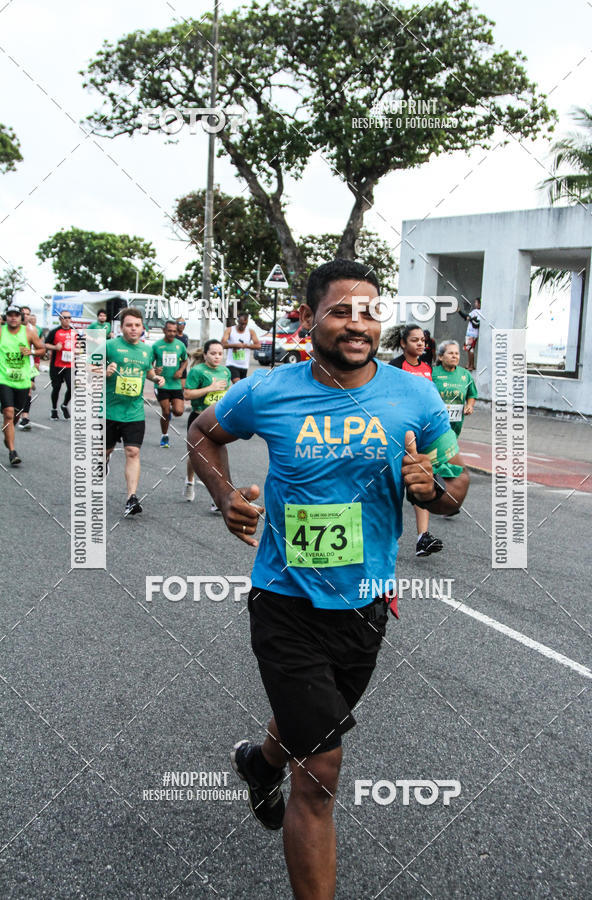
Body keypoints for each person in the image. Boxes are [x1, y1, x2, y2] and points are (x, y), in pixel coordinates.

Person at [188, 260, 469, 900]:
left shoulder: (415, 396)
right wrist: (227, 492)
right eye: (340, 311)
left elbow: (455, 484)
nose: (357, 323)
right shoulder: (268, 389)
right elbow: (202, 431)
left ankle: (258, 767)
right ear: (310, 318)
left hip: (366, 604)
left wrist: (438, 491)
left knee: (315, 724)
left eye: (369, 311)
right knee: (321, 768)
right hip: (284, 601)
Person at [104, 307, 165, 516]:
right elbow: (86, 367)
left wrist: (155, 378)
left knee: (133, 451)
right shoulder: (109, 346)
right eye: (129, 325)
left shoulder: (147, 350)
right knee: (105, 452)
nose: (133, 329)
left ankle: (131, 498)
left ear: (142, 328)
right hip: (109, 411)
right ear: (121, 328)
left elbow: (147, 370)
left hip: (134, 411)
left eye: (137, 325)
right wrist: (104, 371)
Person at [389, 325, 443, 556]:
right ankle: (382, 537)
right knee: (392, 487)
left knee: (421, 479)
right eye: (415, 340)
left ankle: (423, 537)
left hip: (421, 431)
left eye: (423, 340)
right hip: (398, 431)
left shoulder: (426, 367)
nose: (421, 344)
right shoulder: (394, 367)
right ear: (403, 343)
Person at [183, 340, 231, 503]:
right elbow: (188, 395)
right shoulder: (197, 371)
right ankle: (190, 482)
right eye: (213, 353)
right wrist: (210, 388)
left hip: (218, 420)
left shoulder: (225, 371)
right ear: (205, 355)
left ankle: (217, 498)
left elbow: (226, 394)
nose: (217, 357)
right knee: (196, 455)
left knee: (218, 455)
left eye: (220, 353)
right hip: (199, 418)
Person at [0, 305, 45, 464]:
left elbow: (42, 350)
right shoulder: (1, 331)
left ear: (21, 317)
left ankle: (8, 435)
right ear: (6, 317)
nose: (13, 318)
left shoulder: (29, 333)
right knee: (8, 412)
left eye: (16, 315)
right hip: (4, 379)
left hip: (22, 380)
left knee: (16, 416)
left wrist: (31, 352)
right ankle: (12, 451)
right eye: (10, 315)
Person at [151, 320, 187, 448]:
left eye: (174, 331)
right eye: (169, 331)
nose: (172, 333)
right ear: (164, 331)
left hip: (175, 384)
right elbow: (149, 364)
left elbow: (185, 360)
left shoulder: (180, 345)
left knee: (179, 411)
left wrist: (180, 371)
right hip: (162, 384)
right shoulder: (156, 346)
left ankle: (170, 411)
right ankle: (164, 436)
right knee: (165, 412)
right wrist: (155, 371)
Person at [432, 340, 478, 437]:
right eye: (450, 353)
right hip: (435, 423)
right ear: (440, 357)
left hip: (456, 425)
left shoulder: (465, 374)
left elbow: (472, 394)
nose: (455, 356)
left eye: (457, 353)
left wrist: (469, 406)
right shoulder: (433, 373)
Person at [45, 309, 75, 419]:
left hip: (69, 366)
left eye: (69, 317)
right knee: (56, 388)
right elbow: (46, 344)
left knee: (72, 387)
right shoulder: (55, 331)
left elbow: (81, 345)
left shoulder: (74, 331)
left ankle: (64, 405)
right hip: (56, 365)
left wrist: (79, 350)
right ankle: (54, 409)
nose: (67, 319)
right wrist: (54, 347)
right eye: (64, 317)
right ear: (60, 319)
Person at [221, 312, 261, 382]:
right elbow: (222, 344)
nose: (243, 326)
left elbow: (258, 346)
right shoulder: (230, 330)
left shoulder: (250, 332)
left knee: (241, 387)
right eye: (241, 324)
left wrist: (246, 346)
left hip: (244, 365)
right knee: (237, 384)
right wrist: (234, 345)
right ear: (237, 321)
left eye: (245, 324)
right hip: (231, 364)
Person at [458, 297, 481, 371]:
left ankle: (471, 365)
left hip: (472, 334)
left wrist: (460, 312)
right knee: (468, 349)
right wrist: (460, 312)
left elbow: (474, 321)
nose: (475, 304)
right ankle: (469, 364)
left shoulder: (478, 312)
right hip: (470, 333)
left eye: (476, 302)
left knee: (471, 350)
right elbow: (467, 317)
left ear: (480, 304)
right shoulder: (475, 311)